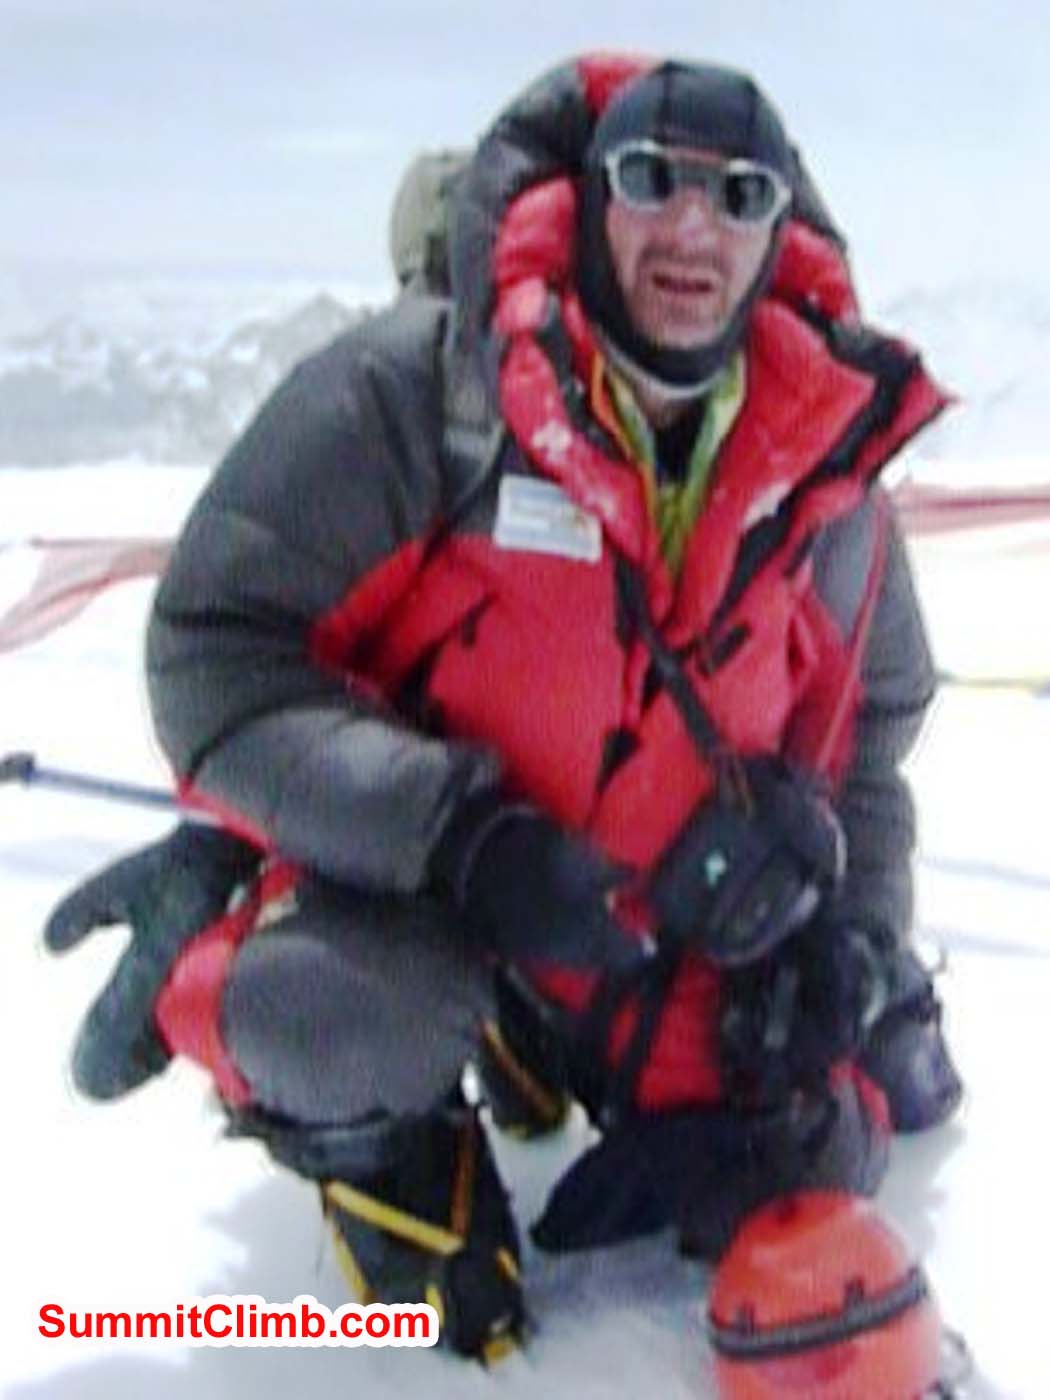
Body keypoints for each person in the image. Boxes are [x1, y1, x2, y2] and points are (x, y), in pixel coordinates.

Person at [45, 54, 963, 1362]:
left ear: (782, 228)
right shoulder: (417, 396)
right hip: (424, 884)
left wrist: (853, 940)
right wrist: (458, 836)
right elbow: (214, 649)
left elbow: (867, 738)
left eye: (739, 192)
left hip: (647, 910)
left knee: (803, 1149)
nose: (694, 228)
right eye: (652, 180)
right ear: (589, 199)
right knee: (351, 1019)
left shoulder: (818, 446)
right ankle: (277, 984)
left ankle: (538, 1026)